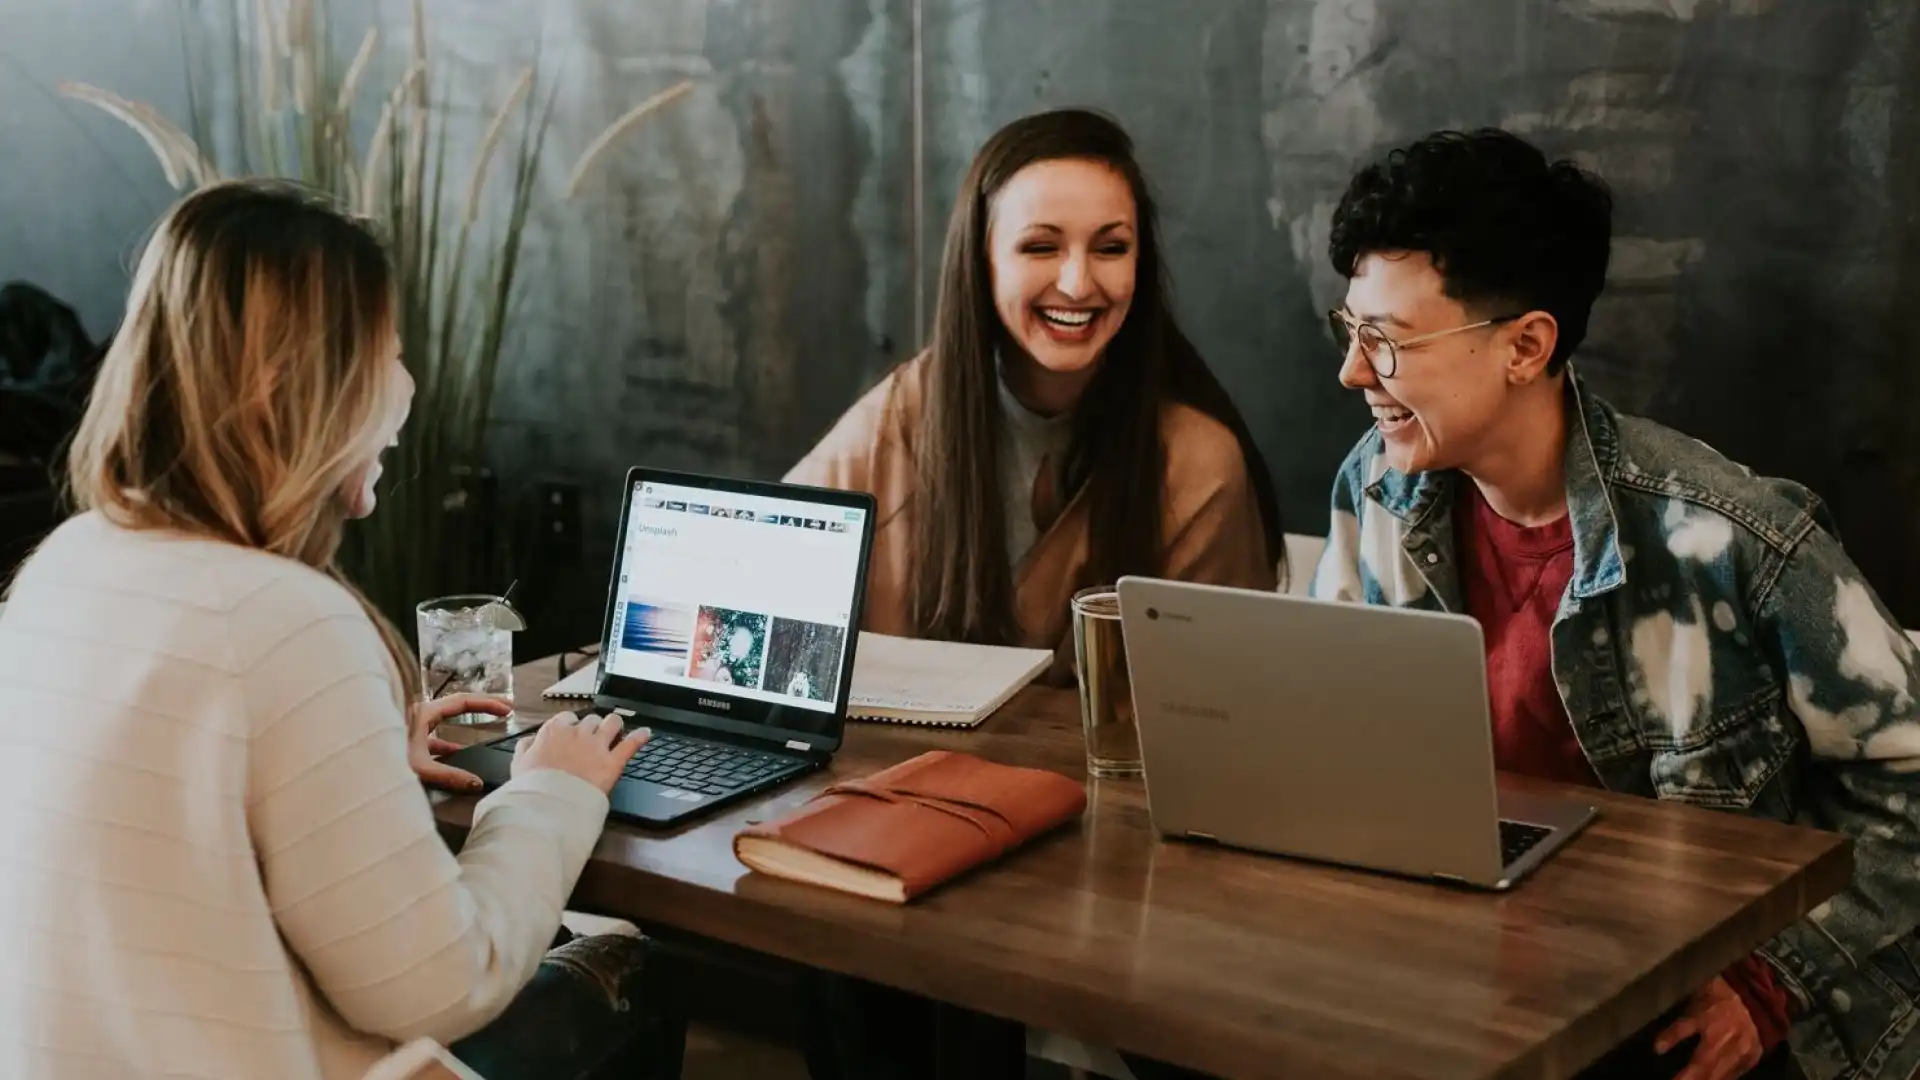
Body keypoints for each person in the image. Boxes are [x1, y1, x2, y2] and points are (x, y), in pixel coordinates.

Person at [0, 180, 683, 1080]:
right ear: (292, 385)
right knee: (636, 976)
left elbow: (159, 836)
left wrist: (349, 766)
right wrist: (546, 794)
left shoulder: (63, 566)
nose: (405, 387)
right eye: (387, 353)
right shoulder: (284, 620)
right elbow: (441, 987)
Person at [1311, 128, 1920, 1080]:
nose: (1353, 373)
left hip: (1679, 1005)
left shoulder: (1731, 540)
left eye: (1385, 341)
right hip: (1469, 972)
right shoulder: (1377, 489)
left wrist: (1770, 983)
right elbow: (1337, 737)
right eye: (1348, 331)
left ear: (1526, 346)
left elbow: (1910, 785)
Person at [786, 106, 1285, 684]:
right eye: (1040, 248)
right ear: (983, 261)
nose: (1077, 283)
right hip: (894, 772)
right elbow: (756, 581)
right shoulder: (901, 414)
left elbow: (1218, 711)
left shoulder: (1198, 465)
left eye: (1111, 248)